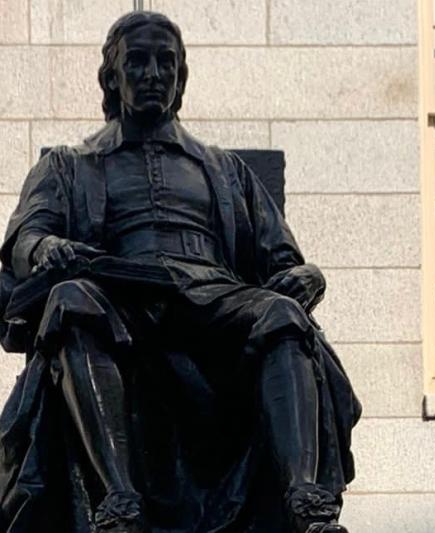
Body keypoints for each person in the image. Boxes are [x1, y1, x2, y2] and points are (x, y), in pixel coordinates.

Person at [0, 11, 359, 533]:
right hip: (119, 296)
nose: (152, 74)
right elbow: (24, 240)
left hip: (213, 298)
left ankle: (304, 501)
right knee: (71, 300)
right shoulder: (68, 166)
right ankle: (118, 504)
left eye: (165, 62)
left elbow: (282, 259)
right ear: (111, 77)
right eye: (137, 61)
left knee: (282, 313)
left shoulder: (224, 168)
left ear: (181, 78)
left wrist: (311, 276)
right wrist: (46, 247)